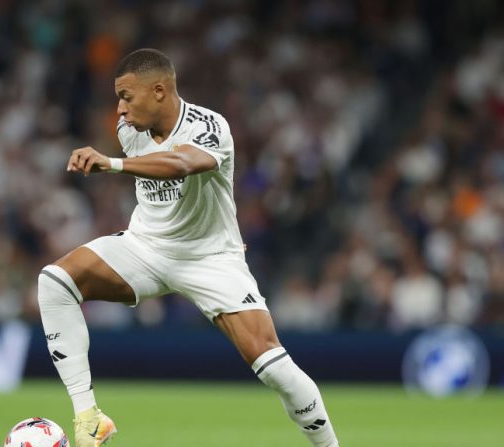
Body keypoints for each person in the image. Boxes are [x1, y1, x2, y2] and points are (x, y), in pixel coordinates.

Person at [38, 48, 340, 447]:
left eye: (127, 97)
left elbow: (180, 164)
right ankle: (89, 418)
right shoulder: (129, 129)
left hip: (210, 258)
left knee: (273, 367)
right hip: (145, 247)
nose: (120, 108)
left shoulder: (209, 126)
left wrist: (110, 165)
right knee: (55, 282)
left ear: (159, 91)